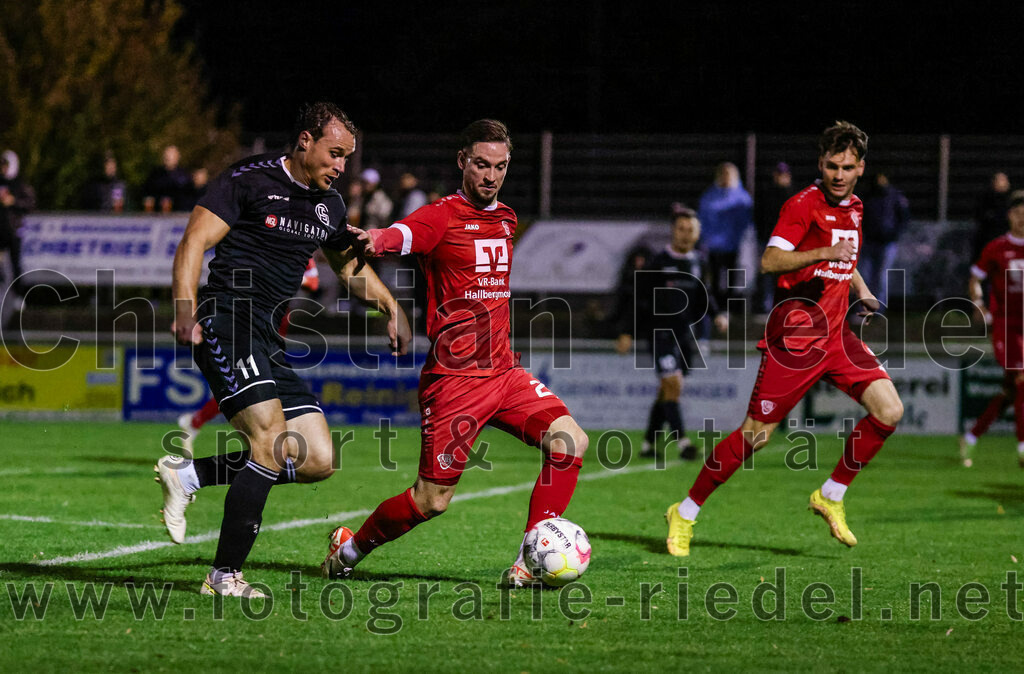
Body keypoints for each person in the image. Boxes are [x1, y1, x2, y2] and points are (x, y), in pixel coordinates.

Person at [321, 119, 590, 587]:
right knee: (431, 501)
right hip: (456, 381)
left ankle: (528, 559)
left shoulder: (507, 218)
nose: (491, 175)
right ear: (463, 161)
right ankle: (350, 546)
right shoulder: (441, 215)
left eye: (500, 166)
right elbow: (403, 235)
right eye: (482, 164)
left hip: (505, 373)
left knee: (570, 442)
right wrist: (375, 239)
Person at [161, 101, 411, 597]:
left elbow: (349, 269)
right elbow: (193, 242)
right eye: (334, 154)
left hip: (270, 338)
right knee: (272, 443)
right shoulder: (248, 180)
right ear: (304, 141)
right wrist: (186, 309)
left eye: (347, 159)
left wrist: (391, 306)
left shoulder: (331, 206)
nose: (341, 167)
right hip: (226, 320)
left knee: (317, 458)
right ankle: (223, 576)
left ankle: (189, 473)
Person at [665, 121, 904, 557]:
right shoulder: (801, 206)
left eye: (847, 167)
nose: (838, 174)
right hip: (794, 339)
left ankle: (830, 494)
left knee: (889, 410)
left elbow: (845, 257)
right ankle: (684, 511)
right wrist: (822, 253)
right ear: (820, 164)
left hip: (836, 335)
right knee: (755, 436)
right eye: (831, 165)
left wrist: (863, 292)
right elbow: (771, 260)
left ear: (860, 169)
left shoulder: (855, 207)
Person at [617, 206, 727, 460]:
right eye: (681, 229)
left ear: (697, 233)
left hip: (686, 336)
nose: (685, 234)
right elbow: (639, 298)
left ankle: (648, 443)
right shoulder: (659, 262)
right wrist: (626, 331)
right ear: (673, 232)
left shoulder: (698, 262)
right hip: (661, 334)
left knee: (666, 390)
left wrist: (718, 314)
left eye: (690, 230)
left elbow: (705, 294)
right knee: (672, 384)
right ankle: (683, 443)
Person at [176, 258, 321, 450]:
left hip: (277, 320)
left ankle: (196, 421)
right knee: (253, 385)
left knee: (263, 385)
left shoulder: (301, 250)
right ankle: (264, 446)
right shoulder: (261, 245)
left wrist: (286, 276)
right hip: (250, 317)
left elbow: (313, 282)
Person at [960, 190, 1024, 469]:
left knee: (1010, 392)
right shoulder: (997, 248)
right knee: (1022, 381)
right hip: (1006, 328)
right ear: (1009, 215)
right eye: (1018, 213)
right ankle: (1023, 449)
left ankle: (971, 436)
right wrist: (979, 303)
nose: (1022, 218)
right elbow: (975, 278)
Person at [697, 162, 754, 309]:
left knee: (732, 276)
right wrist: (706, 238)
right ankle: (716, 307)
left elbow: (745, 221)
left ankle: (730, 306)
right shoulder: (710, 196)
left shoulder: (741, 197)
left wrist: (737, 237)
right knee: (715, 276)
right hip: (714, 245)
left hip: (732, 244)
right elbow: (702, 218)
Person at [860, 171, 910, 310]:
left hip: (887, 243)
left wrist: (893, 234)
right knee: (865, 277)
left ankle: (878, 310)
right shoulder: (869, 196)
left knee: (881, 278)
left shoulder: (895, 197)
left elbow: (904, 218)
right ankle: (864, 308)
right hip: (869, 242)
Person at [756, 162, 796, 314]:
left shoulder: (794, 196)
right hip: (769, 241)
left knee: (786, 275)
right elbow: (759, 217)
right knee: (768, 274)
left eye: (784, 175)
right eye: (779, 174)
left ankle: (785, 305)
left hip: (787, 243)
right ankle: (767, 306)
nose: (781, 178)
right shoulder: (767, 195)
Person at [0, 150, 36, 303]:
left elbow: (30, 204)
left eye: (6, 165)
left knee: (16, 265)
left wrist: (13, 202)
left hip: (14, 232)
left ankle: (19, 297)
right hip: (0, 232)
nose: (3, 169)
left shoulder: (20, 184)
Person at [973, 172, 1011, 260]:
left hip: (1008, 243)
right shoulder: (985, 200)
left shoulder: (1012, 201)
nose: (1004, 183)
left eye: (1005, 180)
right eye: (1001, 180)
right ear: (993, 182)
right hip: (990, 240)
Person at [142, 145, 190, 212]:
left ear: (178, 157)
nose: (168, 157)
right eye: (166, 155)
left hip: (178, 214)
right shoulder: (156, 174)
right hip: (156, 215)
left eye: (171, 155)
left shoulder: (184, 175)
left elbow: (186, 196)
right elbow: (148, 193)